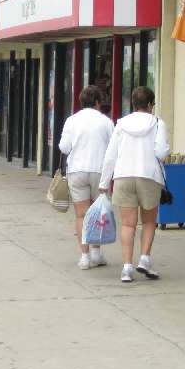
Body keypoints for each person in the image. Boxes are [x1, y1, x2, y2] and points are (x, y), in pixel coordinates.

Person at [99, 87, 170, 283]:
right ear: (150, 104)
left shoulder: (121, 124)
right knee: (148, 221)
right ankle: (145, 259)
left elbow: (111, 155)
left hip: (124, 176)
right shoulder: (158, 123)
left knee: (128, 224)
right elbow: (161, 153)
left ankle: (127, 268)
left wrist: (104, 182)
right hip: (149, 176)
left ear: (134, 104)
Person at [59, 85, 114, 270]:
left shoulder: (72, 121)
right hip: (99, 171)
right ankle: (97, 253)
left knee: (81, 214)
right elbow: (113, 147)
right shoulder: (106, 122)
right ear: (97, 102)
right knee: (98, 212)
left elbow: (64, 147)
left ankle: (84, 257)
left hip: (77, 170)